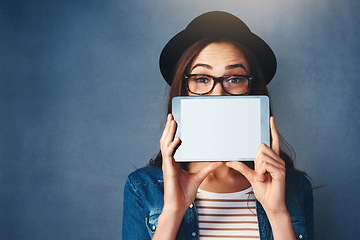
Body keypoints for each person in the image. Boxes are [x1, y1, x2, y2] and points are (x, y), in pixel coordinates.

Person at [122, 11, 313, 240]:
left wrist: (277, 213)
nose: (218, 92)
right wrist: (173, 211)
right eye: (202, 78)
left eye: (234, 79)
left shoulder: (295, 187)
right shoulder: (142, 187)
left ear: (252, 90)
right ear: (183, 90)